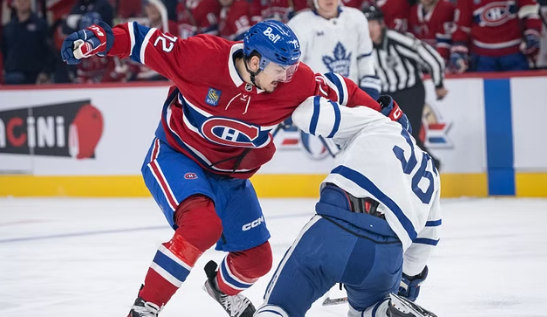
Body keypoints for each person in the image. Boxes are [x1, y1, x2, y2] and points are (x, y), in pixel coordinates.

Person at [60, 18, 410, 317]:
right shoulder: (201, 57)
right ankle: (144, 307)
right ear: (254, 60)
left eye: (291, 69)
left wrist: (386, 113)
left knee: (257, 261)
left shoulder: (293, 82)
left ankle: (221, 288)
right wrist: (99, 38)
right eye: (280, 69)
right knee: (202, 226)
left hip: (232, 181)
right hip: (176, 157)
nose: (287, 77)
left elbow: (340, 90)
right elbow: (141, 40)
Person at [255, 94, 441, 317]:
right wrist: (406, 284)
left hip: (335, 230)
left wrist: (325, 91)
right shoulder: (430, 170)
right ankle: (378, 311)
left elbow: (308, 115)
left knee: (280, 307)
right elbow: (425, 241)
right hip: (386, 253)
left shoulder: (377, 121)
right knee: (368, 309)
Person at [364, 5, 446, 170]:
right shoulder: (363, 46)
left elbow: (432, 58)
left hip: (410, 92)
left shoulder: (398, 39)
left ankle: (430, 167)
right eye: (366, 26)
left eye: (373, 24)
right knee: (389, 137)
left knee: (409, 135)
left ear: (381, 24)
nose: (369, 30)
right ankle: (424, 167)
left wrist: (438, 84)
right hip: (386, 95)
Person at [288, 0, 381, 99]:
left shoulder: (357, 18)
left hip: (352, 98)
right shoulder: (298, 25)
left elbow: (365, 58)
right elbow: (294, 70)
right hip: (317, 101)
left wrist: (369, 93)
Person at [449, 0, 542, 72]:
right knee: (484, 94)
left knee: (520, 93)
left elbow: (531, 12)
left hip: (515, 54)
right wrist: (459, 52)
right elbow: (461, 26)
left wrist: (532, 34)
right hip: (483, 58)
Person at [1, 0, 54, 85]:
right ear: (14, 4)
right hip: (12, 76)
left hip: (34, 77)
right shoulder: (8, 28)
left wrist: (46, 72)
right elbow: (4, 50)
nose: (22, 2)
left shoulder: (41, 25)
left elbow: (50, 50)